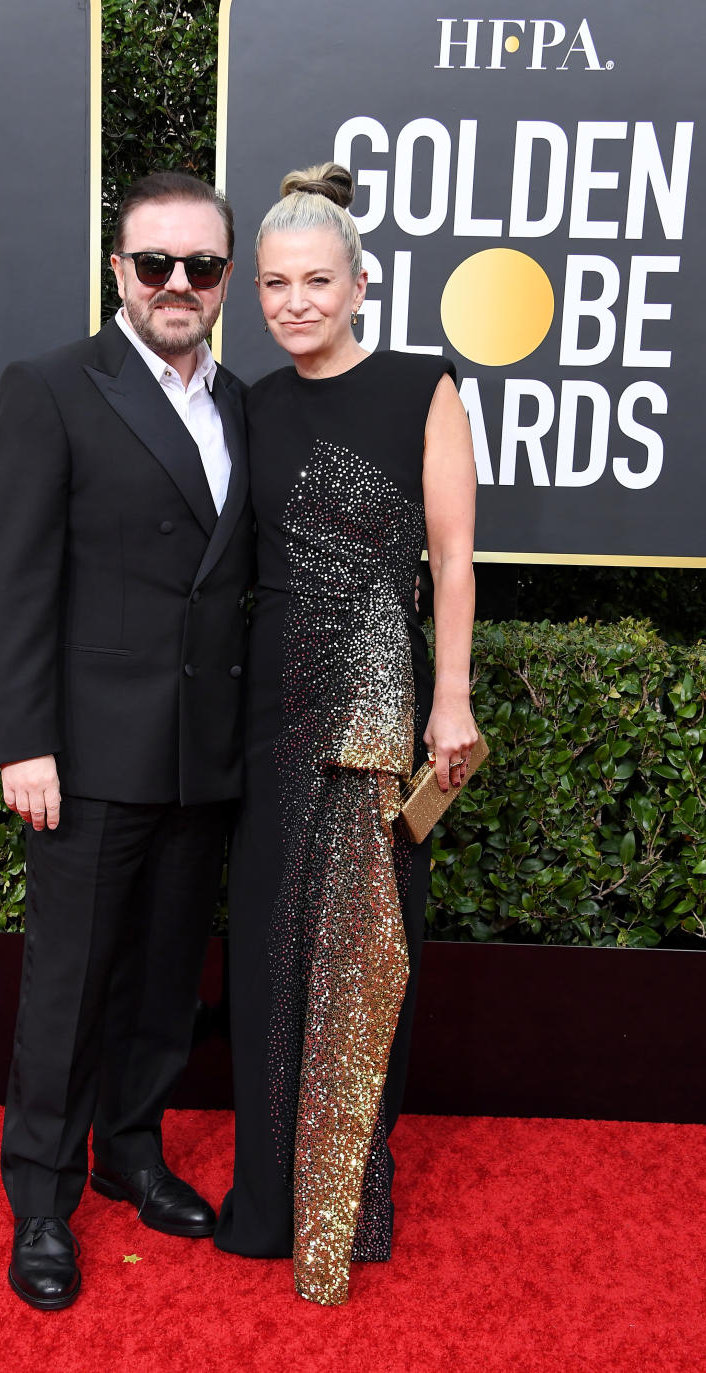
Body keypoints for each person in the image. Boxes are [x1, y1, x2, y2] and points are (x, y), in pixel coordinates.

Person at [0, 171, 252, 1311]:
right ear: (117, 271)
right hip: (85, 757)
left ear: (226, 278)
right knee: (69, 981)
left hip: (204, 756)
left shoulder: (244, 400)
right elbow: (12, 580)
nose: (178, 284)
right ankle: (41, 1195)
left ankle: (133, 1149)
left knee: (164, 976)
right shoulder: (51, 389)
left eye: (201, 265)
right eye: (155, 264)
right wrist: (21, 740)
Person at [213, 163, 477, 1305]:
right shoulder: (253, 404)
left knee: (366, 953)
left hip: (375, 707)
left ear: (362, 283)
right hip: (271, 709)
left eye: (317, 279)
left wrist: (450, 695)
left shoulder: (424, 386)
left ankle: (346, 1195)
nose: (295, 301)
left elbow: (454, 561)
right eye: (275, 282)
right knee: (271, 948)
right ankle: (269, 1199)